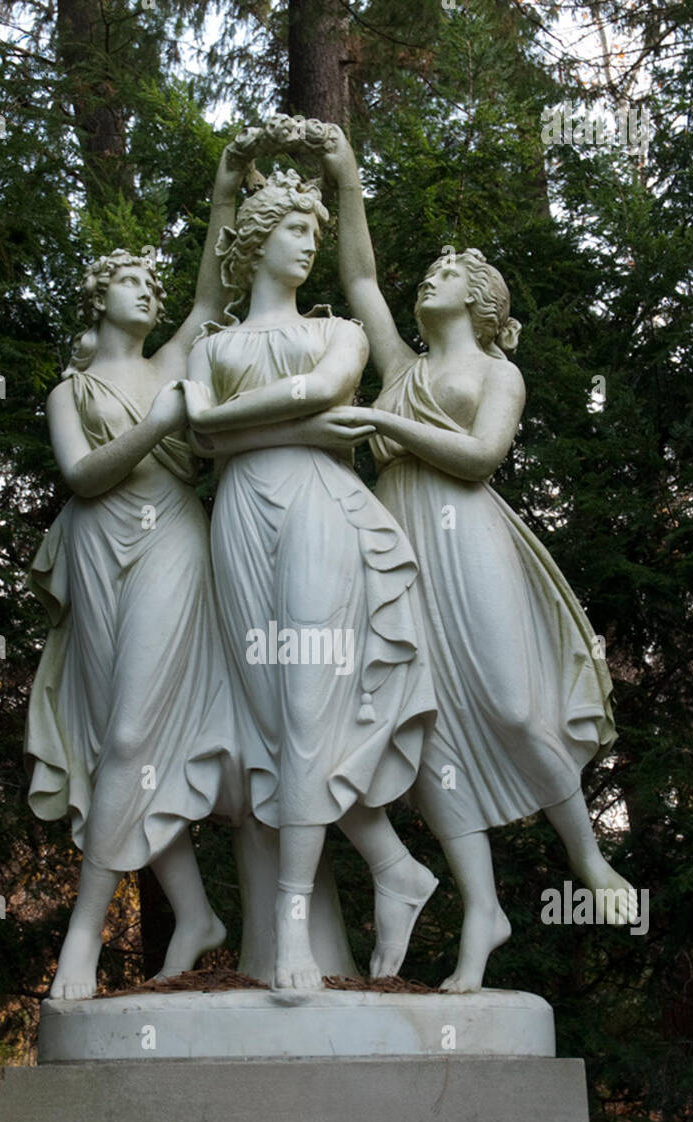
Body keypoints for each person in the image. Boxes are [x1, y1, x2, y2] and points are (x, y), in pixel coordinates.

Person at [323, 129, 636, 992]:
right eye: (425, 274)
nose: (428, 280)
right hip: (392, 550)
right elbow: (356, 279)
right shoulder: (399, 363)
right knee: (424, 737)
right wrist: (348, 176)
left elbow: (476, 458)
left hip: (469, 537)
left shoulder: (496, 373)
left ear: (483, 300)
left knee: (505, 699)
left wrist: (384, 424)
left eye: (447, 274)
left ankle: (588, 858)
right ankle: (480, 912)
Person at [181, 168, 439, 992]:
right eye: (295, 230)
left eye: (316, 234)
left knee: (301, 708)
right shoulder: (211, 346)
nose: (309, 246)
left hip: (319, 509)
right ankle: (394, 868)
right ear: (256, 240)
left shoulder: (340, 336)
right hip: (237, 519)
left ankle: (293, 933)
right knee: (269, 723)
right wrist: (265, 425)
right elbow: (200, 445)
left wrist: (222, 421)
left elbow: (321, 395)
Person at [25, 148, 250, 1000]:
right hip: (94, 546)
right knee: (122, 738)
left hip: (168, 542)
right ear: (98, 298)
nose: (150, 295)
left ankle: (80, 940)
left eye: (153, 287)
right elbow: (82, 477)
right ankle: (193, 914)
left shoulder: (169, 363)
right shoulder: (68, 391)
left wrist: (225, 192)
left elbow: (208, 298)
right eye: (133, 285)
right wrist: (157, 423)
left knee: (125, 737)